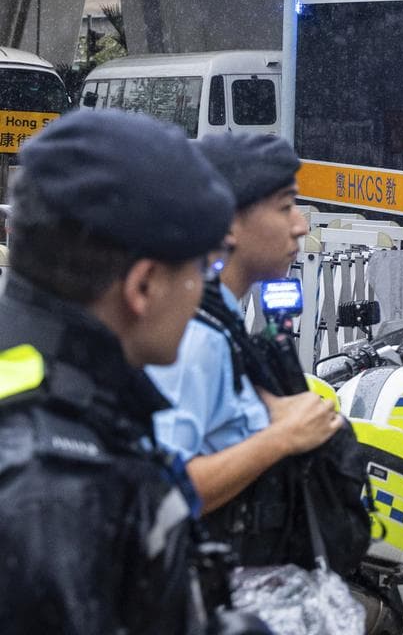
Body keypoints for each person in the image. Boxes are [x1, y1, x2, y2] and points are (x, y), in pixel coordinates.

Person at [0, 109, 235, 634]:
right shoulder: (57, 496)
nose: (203, 290)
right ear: (143, 286)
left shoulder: (51, 400)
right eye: (202, 269)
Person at [146, 132, 359, 568]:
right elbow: (163, 492)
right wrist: (282, 438)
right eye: (285, 207)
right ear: (226, 224)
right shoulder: (193, 337)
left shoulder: (221, 322)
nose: (301, 225)